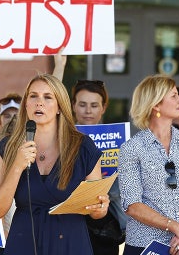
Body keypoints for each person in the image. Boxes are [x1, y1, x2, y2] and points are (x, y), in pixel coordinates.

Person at [0, 74, 108, 255]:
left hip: (70, 244)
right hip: (23, 243)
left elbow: (96, 211)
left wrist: (100, 207)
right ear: (26, 104)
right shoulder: (8, 147)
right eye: (33, 96)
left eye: (48, 97)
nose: (39, 102)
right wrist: (17, 166)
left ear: (60, 106)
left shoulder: (83, 147)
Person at [118, 75, 179, 255]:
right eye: (174, 96)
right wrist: (177, 228)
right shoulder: (131, 148)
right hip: (144, 244)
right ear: (156, 105)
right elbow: (132, 204)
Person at [71, 79, 126, 255]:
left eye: (94, 105)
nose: (88, 111)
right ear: (73, 106)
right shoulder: (61, 140)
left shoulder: (117, 141)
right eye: (82, 104)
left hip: (105, 227)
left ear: (103, 108)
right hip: (71, 224)